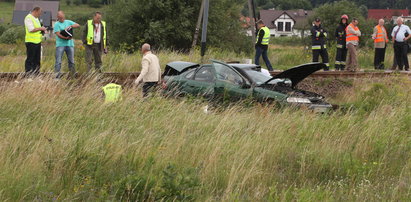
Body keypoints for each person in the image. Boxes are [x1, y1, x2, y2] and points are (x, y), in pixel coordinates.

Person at [53, 11, 80, 79]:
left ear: (64, 16)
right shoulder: (56, 24)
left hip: (70, 44)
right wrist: (65, 38)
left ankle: (72, 75)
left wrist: (71, 26)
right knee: (58, 61)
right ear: (57, 17)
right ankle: (57, 77)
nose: (61, 19)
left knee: (71, 60)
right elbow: (58, 34)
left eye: (62, 17)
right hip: (60, 44)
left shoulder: (68, 22)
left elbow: (77, 25)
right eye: (60, 18)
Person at [24, 7, 46, 75]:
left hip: (37, 41)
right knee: (30, 59)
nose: (40, 15)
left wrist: (42, 30)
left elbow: (38, 29)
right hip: (31, 41)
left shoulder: (36, 19)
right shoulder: (28, 18)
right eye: (39, 13)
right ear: (35, 11)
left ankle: (36, 74)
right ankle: (28, 75)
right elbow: (31, 29)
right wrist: (40, 28)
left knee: (37, 60)